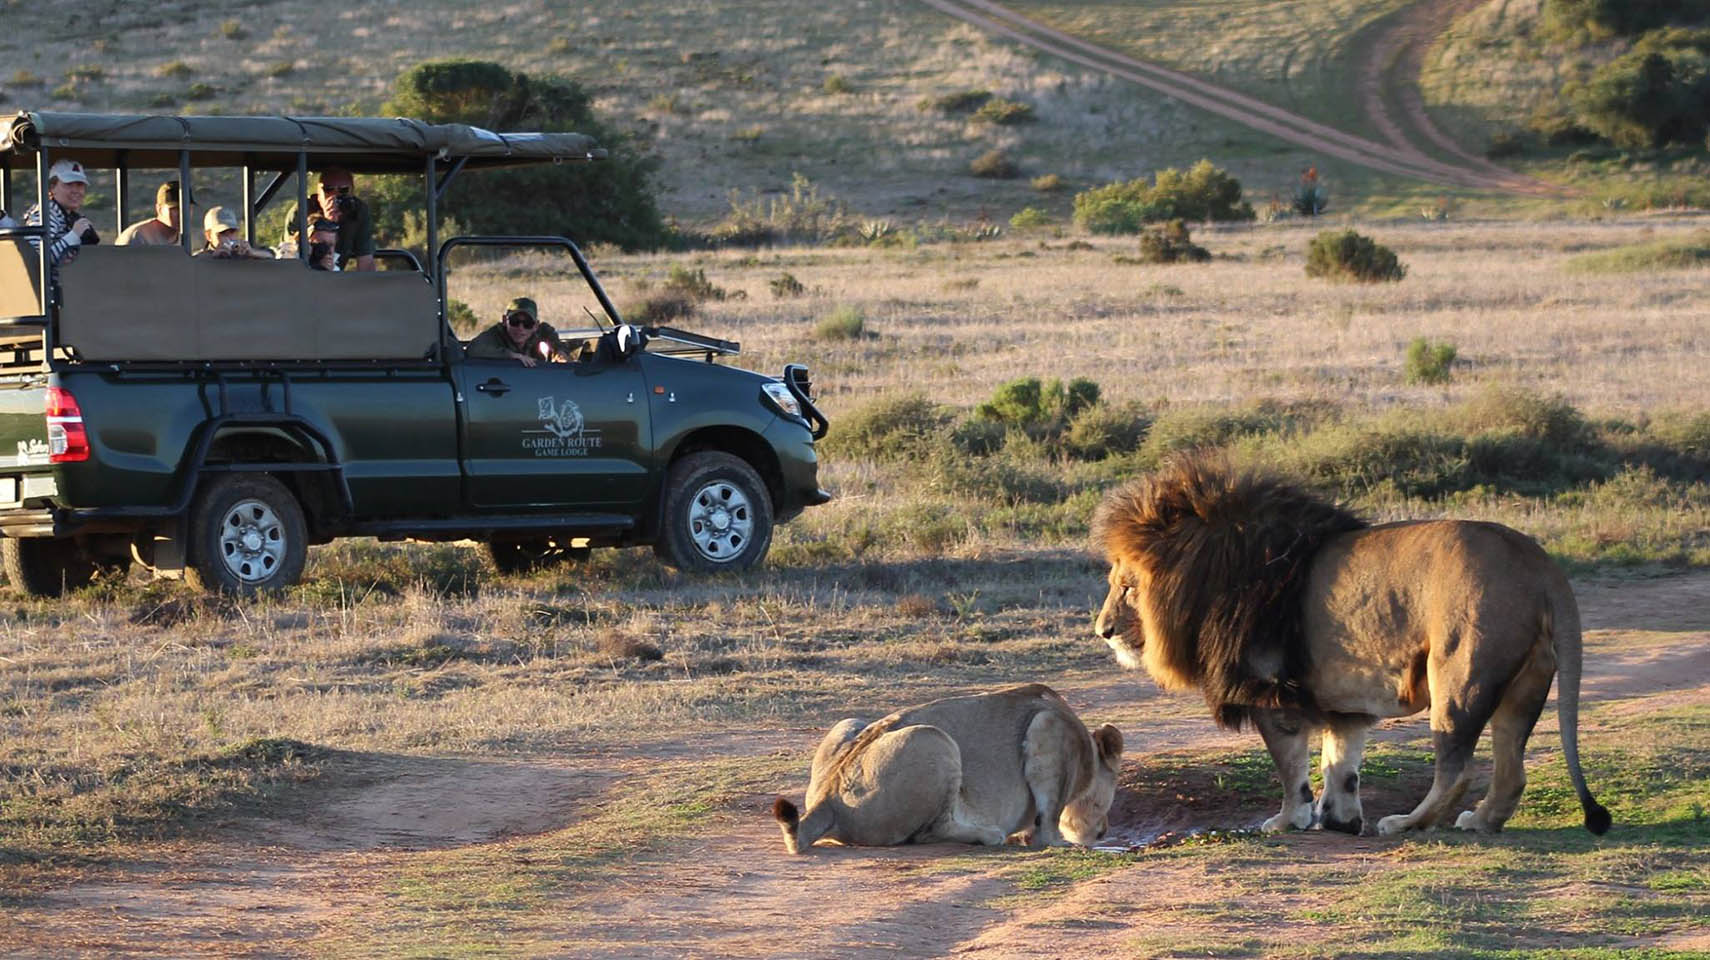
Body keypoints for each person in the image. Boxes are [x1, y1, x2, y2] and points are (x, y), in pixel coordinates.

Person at [24, 158, 97, 267]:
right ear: (52, 188)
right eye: (69, 184)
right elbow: (35, 259)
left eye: (79, 185)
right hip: (53, 283)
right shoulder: (46, 214)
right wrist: (74, 235)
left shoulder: (71, 217)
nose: (75, 190)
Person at [465, 297, 568, 367]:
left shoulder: (543, 331)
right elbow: (473, 349)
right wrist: (511, 356)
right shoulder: (495, 334)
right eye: (515, 322)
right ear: (505, 321)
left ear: (535, 326)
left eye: (527, 323)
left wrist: (560, 354)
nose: (520, 328)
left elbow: (558, 344)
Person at [313, 167, 375, 271]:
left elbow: (366, 261)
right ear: (318, 195)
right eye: (328, 189)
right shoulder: (303, 210)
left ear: (352, 192)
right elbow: (291, 254)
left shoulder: (358, 211)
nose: (335, 196)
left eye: (343, 190)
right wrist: (327, 223)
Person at [116, 180, 186, 246]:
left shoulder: (184, 238)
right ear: (159, 209)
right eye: (175, 209)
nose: (181, 214)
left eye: (187, 208)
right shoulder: (138, 237)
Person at [195, 206, 272, 259]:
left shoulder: (242, 252)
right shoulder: (203, 256)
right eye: (223, 232)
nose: (229, 237)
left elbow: (272, 256)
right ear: (209, 236)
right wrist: (214, 257)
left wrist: (252, 253)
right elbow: (195, 262)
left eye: (232, 231)